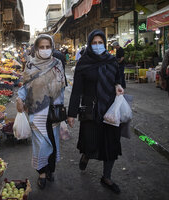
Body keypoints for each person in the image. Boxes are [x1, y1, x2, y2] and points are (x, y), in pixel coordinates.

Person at [67, 30, 124, 194]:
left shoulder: (112, 60)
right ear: (89, 44)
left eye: (100, 43)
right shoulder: (83, 63)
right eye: (94, 43)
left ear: (105, 44)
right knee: (90, 142)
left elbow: (118, 79)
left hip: (110, 109)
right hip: (91, 110)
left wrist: (118, 86)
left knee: (111, 144)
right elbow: (76, 91)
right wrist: (71, 114)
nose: (98, 46)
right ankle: (86, 154)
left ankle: (107, 177)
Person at [16, 34, 65, 190]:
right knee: (40, 144)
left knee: (53, 141)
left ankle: (50, 169)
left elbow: (62, 86)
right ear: (36, 48)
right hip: (36, 111)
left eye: (47, 47)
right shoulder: (30, 66)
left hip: (53, 111)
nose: (45, 50)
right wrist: (20, 98)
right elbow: (25, 86)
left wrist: (62, 109)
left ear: (52, 47)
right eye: (41, 47)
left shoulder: (58, 63)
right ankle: (42, 173)